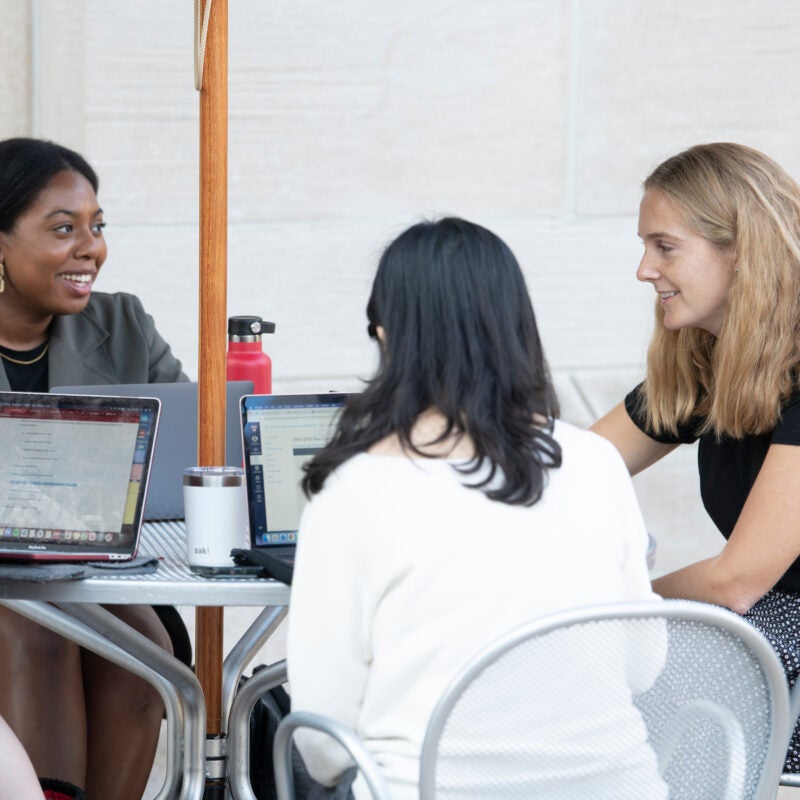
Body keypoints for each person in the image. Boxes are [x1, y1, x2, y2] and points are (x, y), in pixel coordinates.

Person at [286, 218, 665, 800]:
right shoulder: (595, 462)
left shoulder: (354, 492)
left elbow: (324, 746)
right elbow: (642, 667)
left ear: (388, 336)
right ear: (516, 328)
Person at [591, 141, 800, 771]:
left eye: (665, 246)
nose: (643, 269)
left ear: (739, 252)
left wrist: (614, 607)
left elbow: (739, 581)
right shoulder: (713, 362)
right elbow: (572, 469)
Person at [0, 137, 188, 798]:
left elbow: (190, 448)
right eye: (63, 229)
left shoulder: (124, 323)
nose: (91, 248)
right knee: (37, 628)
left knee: (138, 648)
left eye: (97, 227)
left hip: (98, 568)